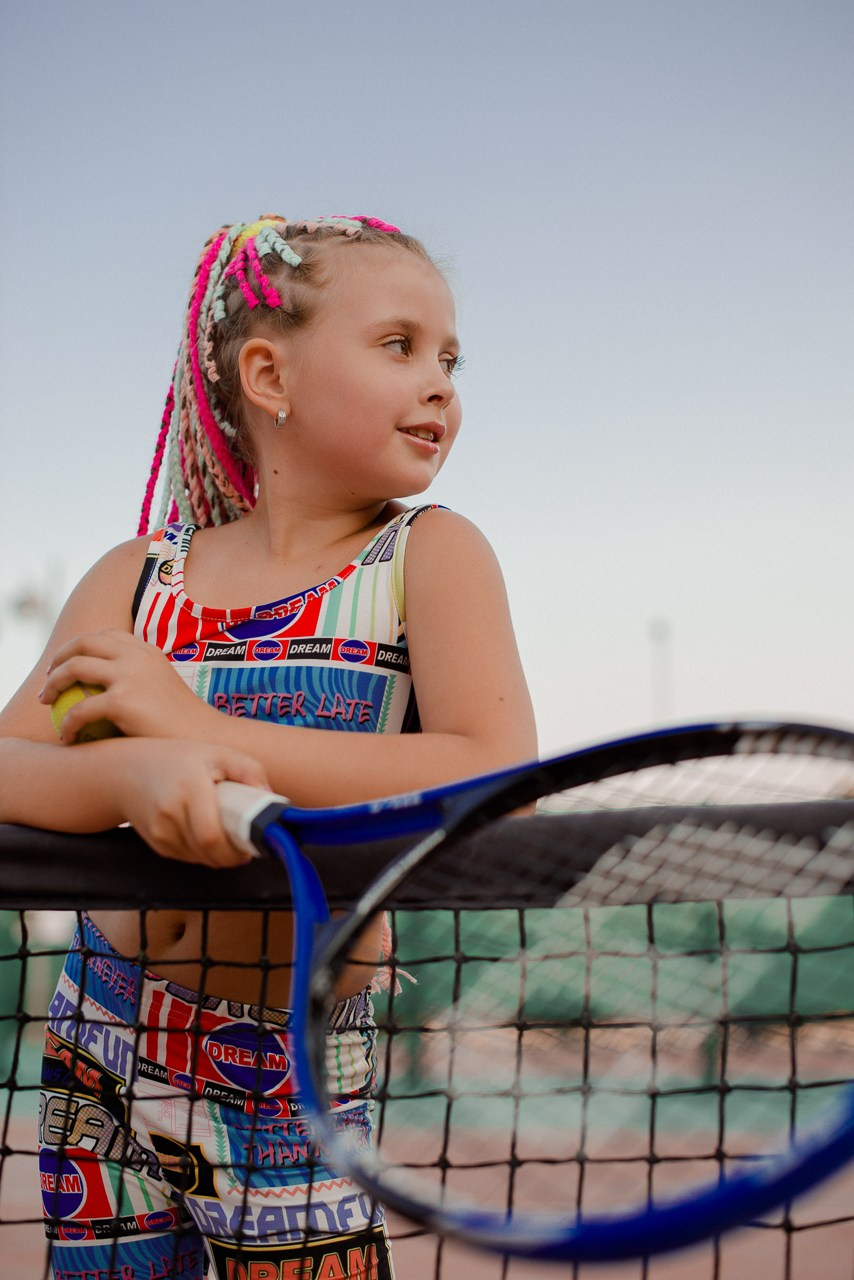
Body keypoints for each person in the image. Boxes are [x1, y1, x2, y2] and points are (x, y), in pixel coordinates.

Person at [0, 214, 537, 1279]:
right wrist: (127, 770)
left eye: (449, 357)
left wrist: (196, 727)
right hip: (105, 1023)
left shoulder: (427, 553)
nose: (439, 382)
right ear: (266, 374)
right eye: (399, 345)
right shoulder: (136, 576)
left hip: (291, 1053)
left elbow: (490, 770)